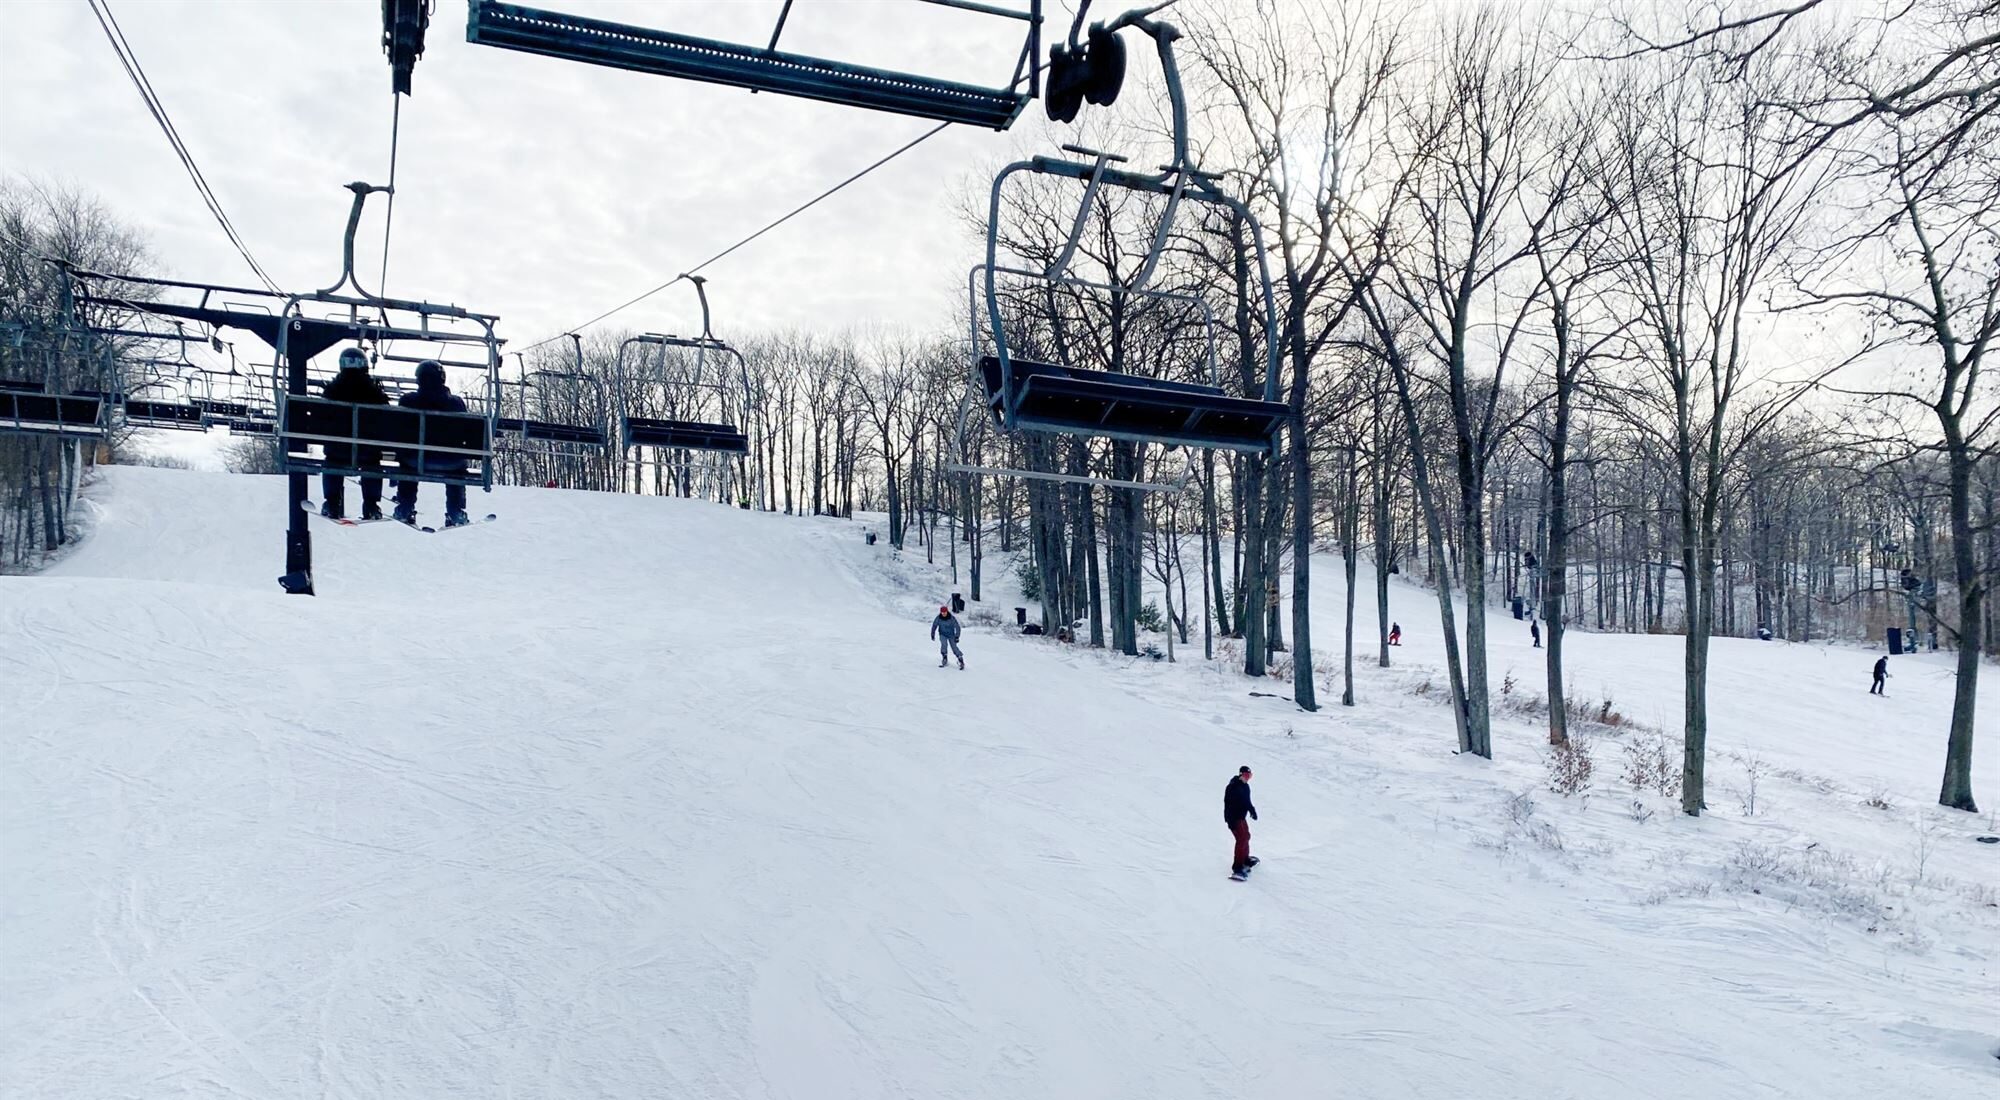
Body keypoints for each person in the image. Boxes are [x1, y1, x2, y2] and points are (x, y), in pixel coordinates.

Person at [392, 360, 471, 527]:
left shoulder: (407, 401)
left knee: (407, 459)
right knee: (458, 467)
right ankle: (455, 511)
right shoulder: (456, 404)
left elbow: (399, 431)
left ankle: (405, 507)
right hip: (450, 462)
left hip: (415, 459)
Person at [319, 347, 389, 520]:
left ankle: (332, 502)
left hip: (337, 451)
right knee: (373, 463)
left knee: (331, 462)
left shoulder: (332, 390)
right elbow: (387, 417)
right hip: (367, 452)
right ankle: (371, 505)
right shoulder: (373, 392)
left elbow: (321, 418)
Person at [1225, 765, 1258, 880]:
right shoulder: (1232, 787)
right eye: (1245, 775)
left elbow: (1247, 801)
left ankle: (1245, 859)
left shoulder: (1245, 787)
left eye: (1249, 776)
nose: (1247, 778)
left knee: (1246, 836)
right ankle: (1237, 867)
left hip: (1241, 817)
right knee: (1241, 839)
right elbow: (1227, 805)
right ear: (1240, 774)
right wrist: (1230, 821)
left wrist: (1252, 811)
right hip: (1234, 818)